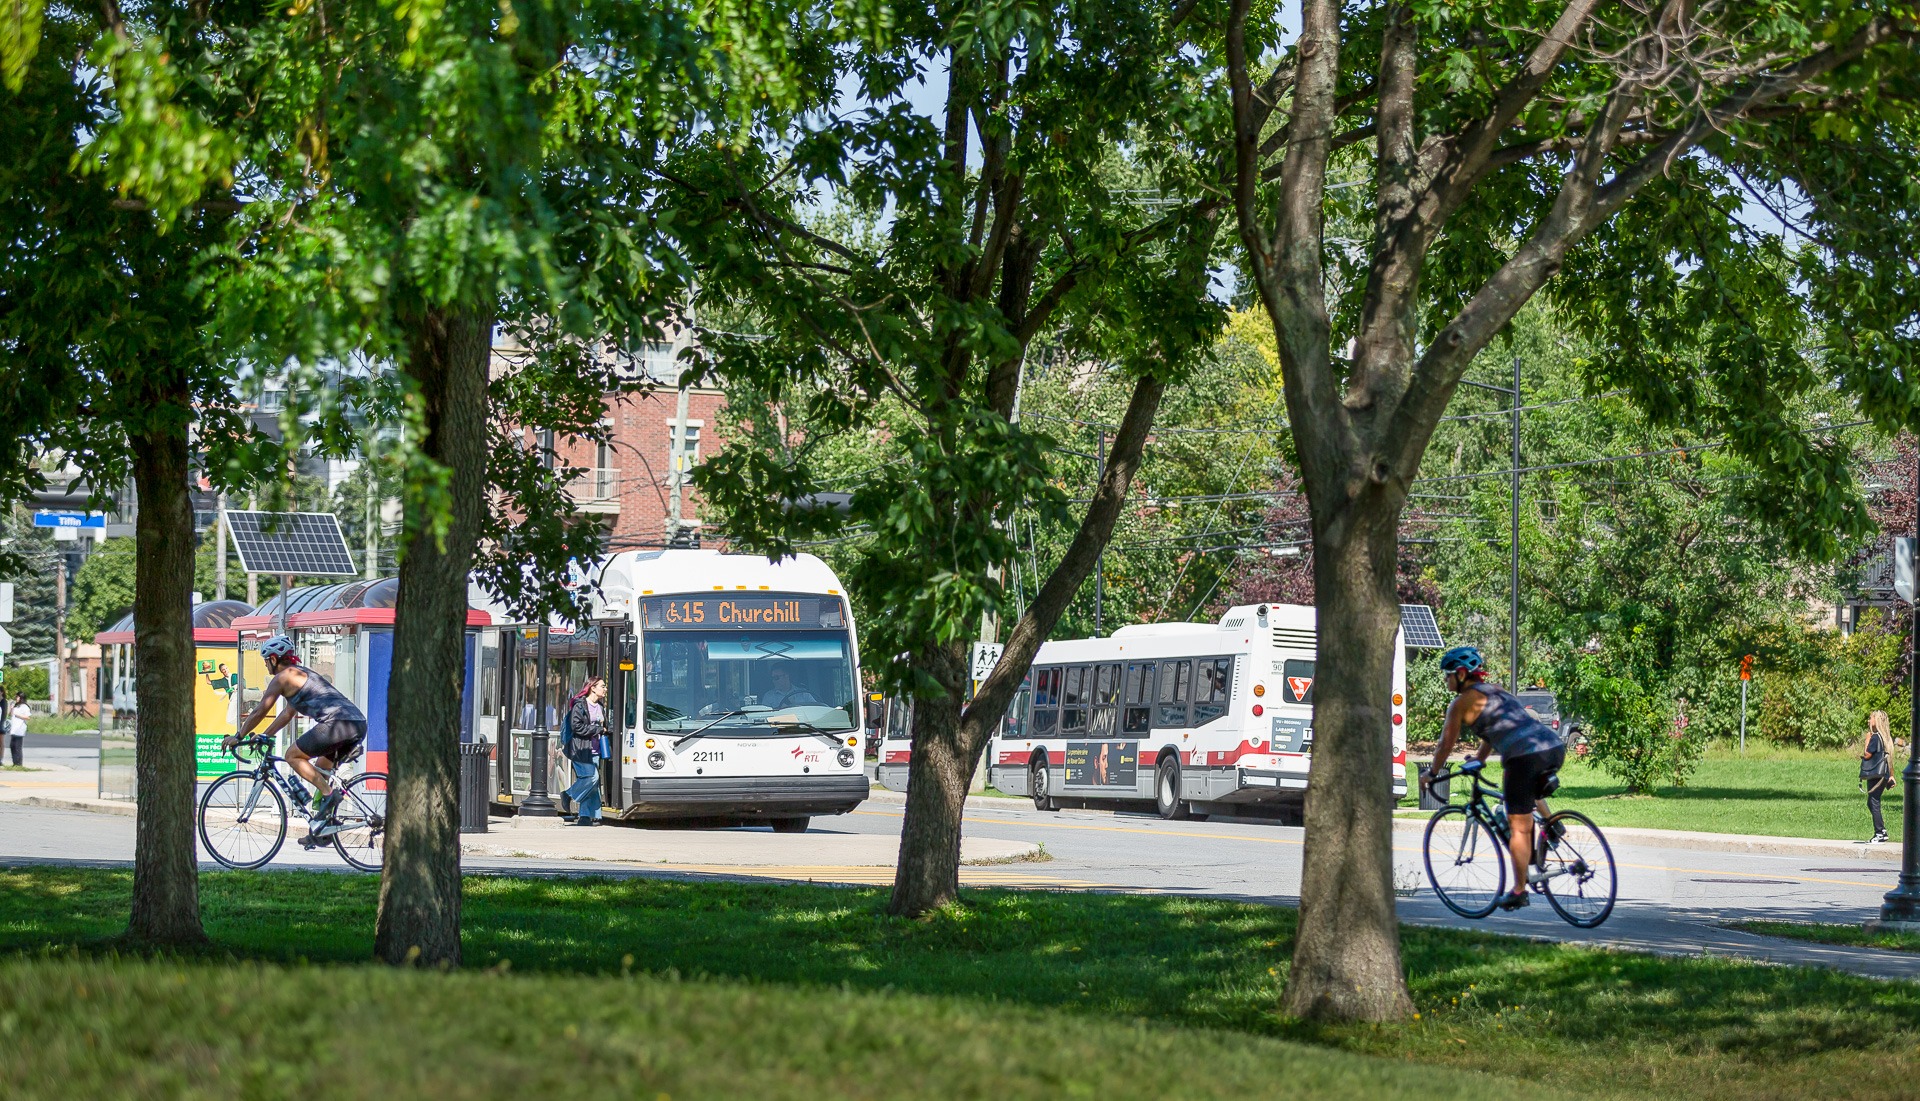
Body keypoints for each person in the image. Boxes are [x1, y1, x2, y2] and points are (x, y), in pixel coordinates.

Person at [1426, 645, 1567, 912]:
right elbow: (1496, 731)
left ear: (1461, 673)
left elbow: (1445, 744)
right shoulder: (1498, 691)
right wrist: (1479, 759)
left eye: (1447, 675)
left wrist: (1431, 773)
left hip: (1523, 757)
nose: (1446, 680)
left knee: (1519, 825)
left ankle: (1518, 891)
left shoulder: (1460, 704)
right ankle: (1551, 824)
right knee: (1525, 794)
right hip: (1552, 747)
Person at [223, 635, 367, 838]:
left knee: (293, 755)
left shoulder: (283, 677)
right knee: (321, 767)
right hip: (356, 723)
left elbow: (260, 711)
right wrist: (264, 735)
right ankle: (323, 826)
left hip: (338, 723)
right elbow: (287, 714)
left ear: (273, 659)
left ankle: (329, 795)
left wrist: (238, 736)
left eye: (266, 661)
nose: (266, 665)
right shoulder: (300, 675)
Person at [563, 677, 609, 826]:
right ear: (593, 688)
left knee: (592, 785)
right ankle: (569, 794)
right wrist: (597, 729)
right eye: (602, 686)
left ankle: (586, 816)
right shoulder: (580, 705)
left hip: (595, 750)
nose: (605, 689)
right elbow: (577, 727)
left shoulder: (600, 706)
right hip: (580, 749)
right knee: (592, 777)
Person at [1860, 709, 1902, 844]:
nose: (1868, 720)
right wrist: (1891, 776)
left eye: (1870, 718)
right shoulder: (1885, 738)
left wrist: (1867, 738)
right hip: (1883, 774)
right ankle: (1881, 830)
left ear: (1876, 721)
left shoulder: (1875, 737)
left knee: (1873, 801)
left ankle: (1880, 833)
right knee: (1872, 801)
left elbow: (1867, 754)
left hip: (1875, 775)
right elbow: (1889, 759)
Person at [7, 693, 26, 767]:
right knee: (12, 746)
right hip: (14, 729)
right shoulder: (16, 706)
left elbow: (28, 717)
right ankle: (14, 762)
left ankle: (19, 763)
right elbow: (11, 714)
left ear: (21, 698)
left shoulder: (24, 707)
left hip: (19, 729)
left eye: (18, 697)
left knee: (18, 747)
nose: (16, 698)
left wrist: (18, 715)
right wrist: (11, 708)